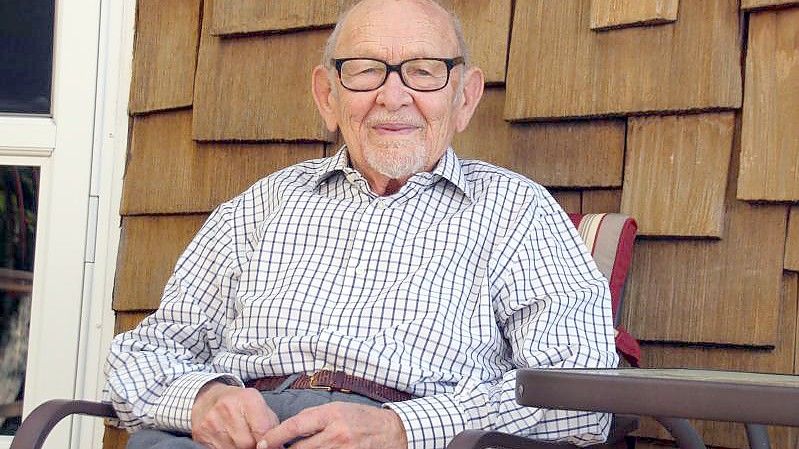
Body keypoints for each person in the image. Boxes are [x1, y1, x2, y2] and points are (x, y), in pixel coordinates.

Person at [105, 0, 618, 448]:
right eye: (366, 70)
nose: (392, 97)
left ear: (464, 97)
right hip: (244, 434)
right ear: (328, 95)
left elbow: (579, 390)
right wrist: (203, 400)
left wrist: (403, 429)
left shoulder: (516, 211)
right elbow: (144, 353)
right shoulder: (262, 206)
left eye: (422, 71)